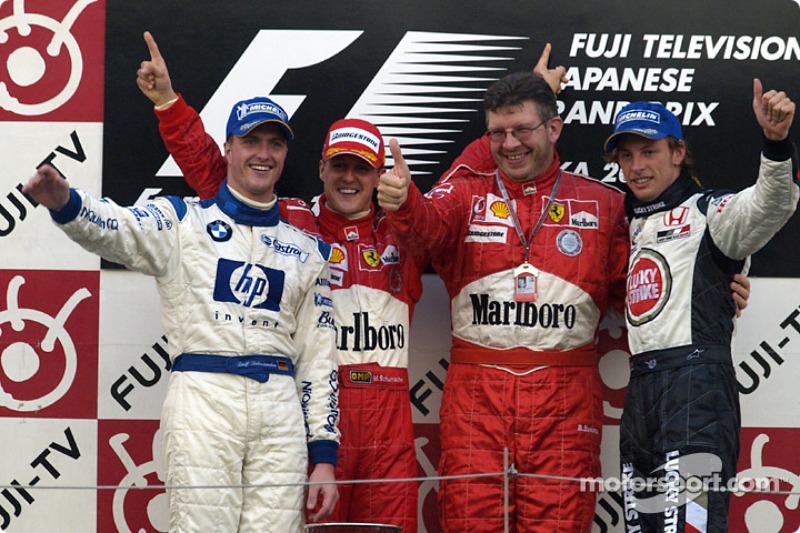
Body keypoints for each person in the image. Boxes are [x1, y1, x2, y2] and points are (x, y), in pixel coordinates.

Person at [136, 31, 428, 531]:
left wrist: (411, 201)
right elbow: (214, 170)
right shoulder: (291, 219)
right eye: (340, 166)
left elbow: (456, 215)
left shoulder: (406, 232)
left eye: (363, 169)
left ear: (382, 176)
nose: (350, 179)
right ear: (321, 168)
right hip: (308, 413)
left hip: (388, 419)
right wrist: (168, 104)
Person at [22, 98, 341, 532]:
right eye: (251, 141)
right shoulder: (181, 222)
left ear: (286, 154)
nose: (263, 154)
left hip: (280, 413)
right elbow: (117, 229)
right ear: (228, 147)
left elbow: (319, 363)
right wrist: (67, 203)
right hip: (204, 402)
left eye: (274, 144)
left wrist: (324, 458)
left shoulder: (309, 252)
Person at [378, 69, 630, 532]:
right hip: (478, 395)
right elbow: (426, 230)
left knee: (560, 524)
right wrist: (402, 204)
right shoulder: (466, 190)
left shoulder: (605, 204)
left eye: (522, 131)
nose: (510, 143)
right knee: (470, 522)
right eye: (498, 133)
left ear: (553, 129)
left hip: (566, 397)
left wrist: (712, 291)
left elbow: (638, 292)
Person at [605, 83, 798, 532]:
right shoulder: (620, 222)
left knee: (690, 526)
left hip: (696, 388)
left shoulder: (709, 211)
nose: (636, 166)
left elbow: (772, 205)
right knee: (642, 528)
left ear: (677, 153)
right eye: (627, 156)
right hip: (641, 390)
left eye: (649, 151)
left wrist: (776, 143)